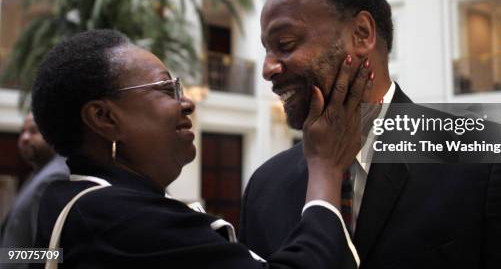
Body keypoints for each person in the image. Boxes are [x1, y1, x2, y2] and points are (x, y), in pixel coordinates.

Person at [239, 0, 501, 269]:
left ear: (361, 34)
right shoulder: (265, 187)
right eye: (266, 51)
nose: (267, 69)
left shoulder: (487, 161)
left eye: (285, 44)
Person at [31, 29, 370, 268]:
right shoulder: (117, 220)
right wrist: (326, 168)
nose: (187, 103)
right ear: (104, 117)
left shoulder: (62, 199)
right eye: (166, 89)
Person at [0, 113, 68, 268]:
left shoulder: (54, 177)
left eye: (33, 131)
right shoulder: (39, 173)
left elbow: (47, 252)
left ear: (53, 134)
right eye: (22, 131)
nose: (24, 138)